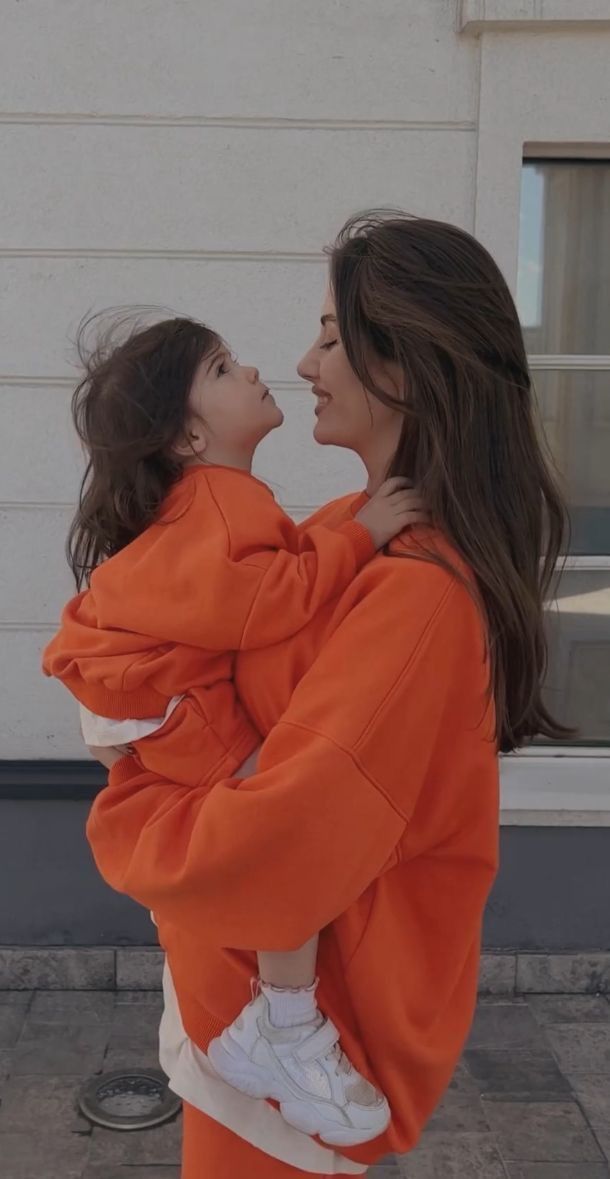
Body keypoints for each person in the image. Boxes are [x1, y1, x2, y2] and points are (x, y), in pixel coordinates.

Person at [84, 212, 570, 1179]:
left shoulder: (421, 591)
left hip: (296, 1056)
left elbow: (288, 838)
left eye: (333, 337)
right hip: (246, 1019)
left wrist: (128, 813)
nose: (303, 362)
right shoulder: (349, 531)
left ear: (407, 363)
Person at [43, 312, 426, 1147]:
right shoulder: (217, 503)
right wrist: (366, 533)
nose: (254, 369)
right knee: (288, 836)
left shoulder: (210, 505)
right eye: (221, 368)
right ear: (187, 433)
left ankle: (274, 1017)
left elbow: (267, 574)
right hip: (181, 719)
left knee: (278, 838)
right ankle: (282, 1027)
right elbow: (268, 599)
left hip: (160, 709)